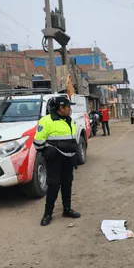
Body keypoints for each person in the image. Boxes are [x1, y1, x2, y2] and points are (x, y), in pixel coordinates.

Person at [33, 96, 81, 226]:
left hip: (68, 157)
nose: (70, 109)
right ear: (61, 108)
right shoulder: (46, 121)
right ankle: (47, 214)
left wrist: (74, 150)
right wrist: (49, 151)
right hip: (55, 159)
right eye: (68, 107)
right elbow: (38, 142)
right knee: (54, 185)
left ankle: (67, 209)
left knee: (67, 183)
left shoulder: (68, 120)